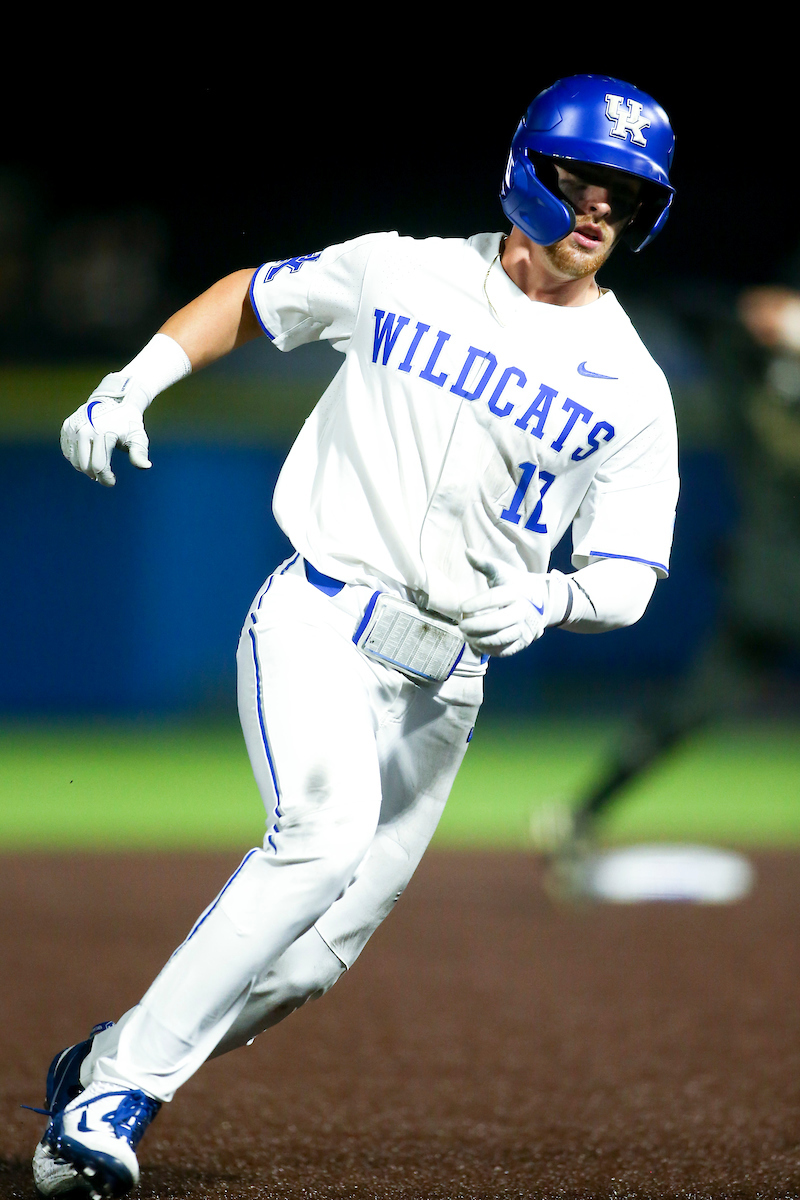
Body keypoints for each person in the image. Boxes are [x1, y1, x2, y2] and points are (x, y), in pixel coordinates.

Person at [31, 74, 678, 1199]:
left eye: (624, 196)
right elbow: (249, 295)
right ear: (528, 168)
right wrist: (134, 381)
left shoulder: (631, 387)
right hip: (322, 614)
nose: (597, 212)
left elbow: (625, 574)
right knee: (319, 838)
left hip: (446, 686)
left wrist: (554, 600)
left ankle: (99, 1057)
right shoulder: (401, 268)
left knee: (312, 962)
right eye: (583, 179)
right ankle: (109, 1102)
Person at [533, 270, 800, 898]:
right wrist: (753, 308)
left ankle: (581, 813)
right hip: (772, 580)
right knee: (687, 710)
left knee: (690, 708)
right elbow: (687, 304)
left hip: (770, 576)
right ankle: (581, 815)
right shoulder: (749, 362)